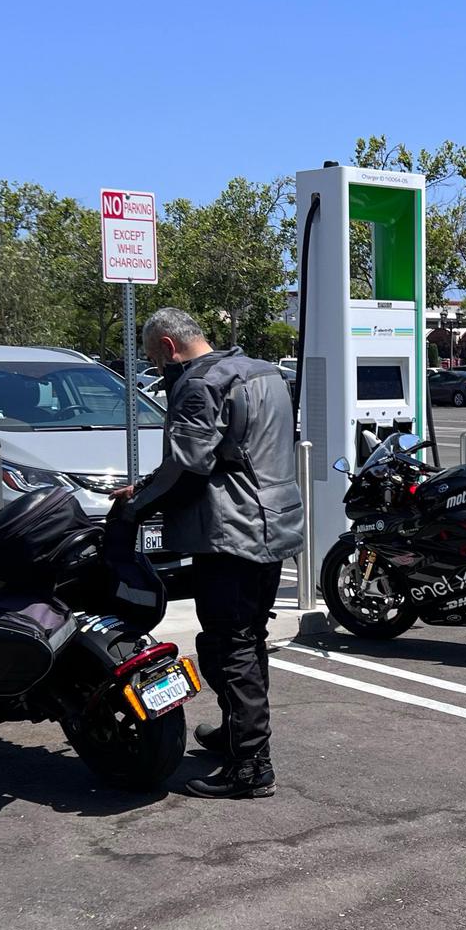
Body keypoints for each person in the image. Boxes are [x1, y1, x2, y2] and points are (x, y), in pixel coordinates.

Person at [112, 308, 303, 797]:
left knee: (230, 644)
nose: (158, 370)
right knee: (246, 638)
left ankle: (251, 766)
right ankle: (237, 735)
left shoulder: (200, 385)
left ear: (170, 348)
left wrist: (139, 504)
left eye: (155, 361)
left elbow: (188, 465)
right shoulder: (264, 372)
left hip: (230, 534)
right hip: (272, 525)